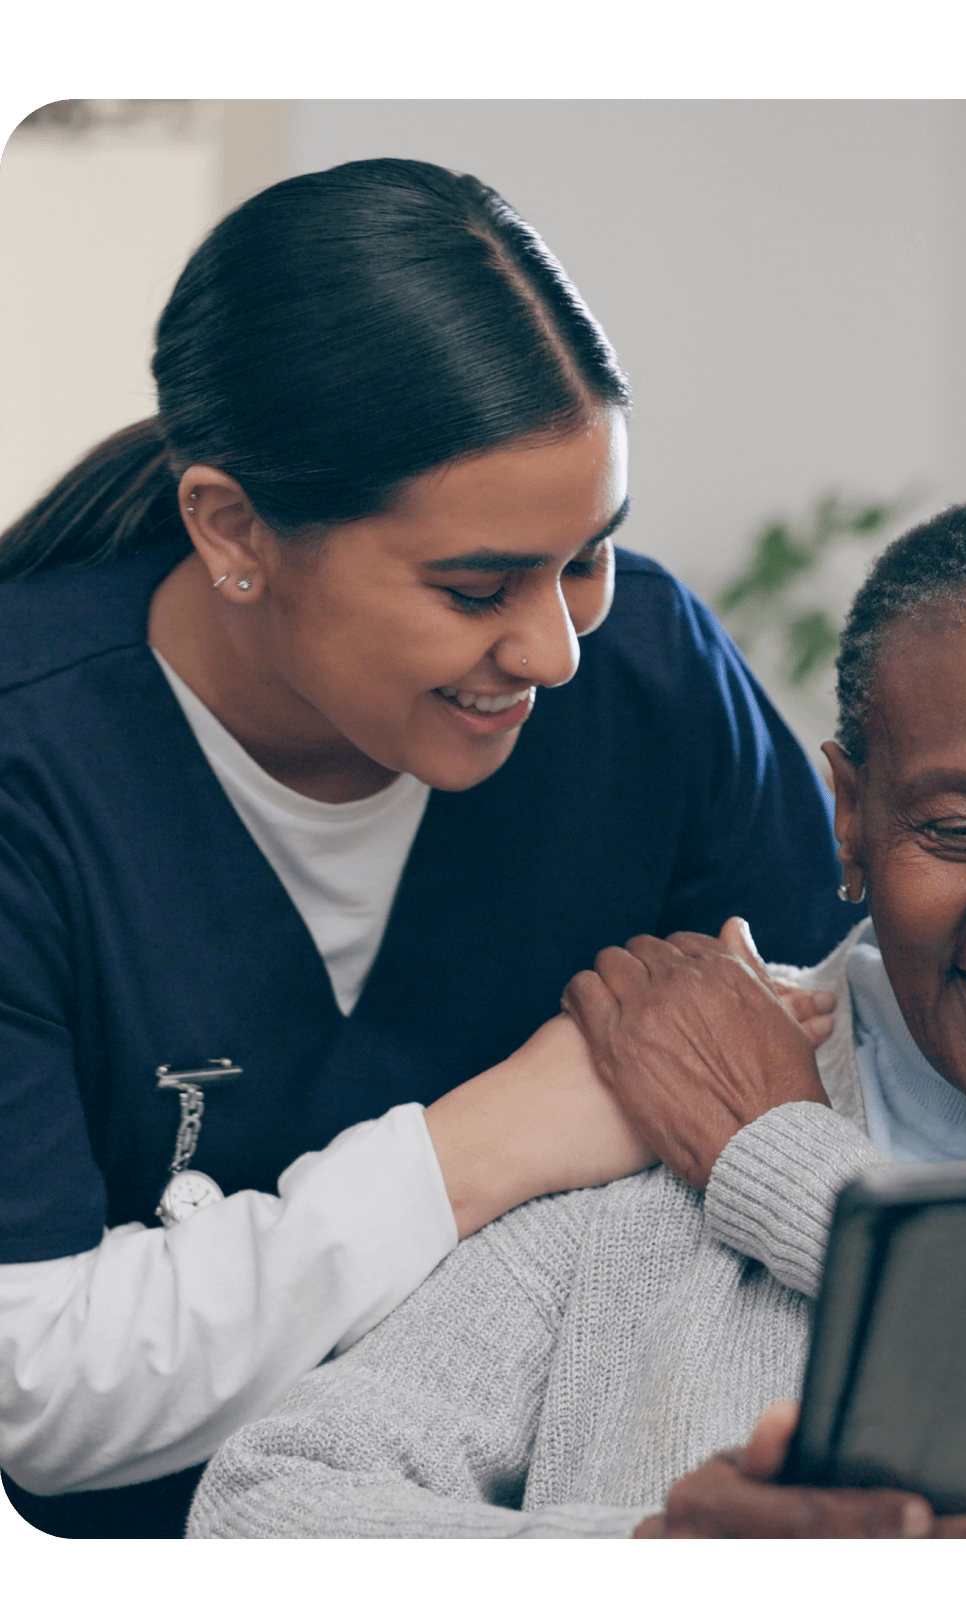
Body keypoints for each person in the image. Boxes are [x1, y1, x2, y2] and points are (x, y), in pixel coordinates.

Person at [186, 487, 966, 1540]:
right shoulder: (660, 1089)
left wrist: (782, 1161)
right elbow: (265, 1504)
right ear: (849, 816)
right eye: (959, 829)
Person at [0, 158, 851, 1540]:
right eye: (474, 589)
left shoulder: (652, 681)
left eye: (590, 556)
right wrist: (489, 1142)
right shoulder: (34, 772)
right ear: (233, 529)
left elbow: (847, 1065)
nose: (555, 649)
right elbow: (35, 1384)